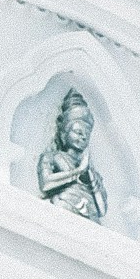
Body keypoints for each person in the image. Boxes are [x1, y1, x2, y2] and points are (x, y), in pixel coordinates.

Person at [37, 85, 107, 222]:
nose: (83, 137)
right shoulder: (52, 157)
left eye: (86, 135)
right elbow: (45, 184)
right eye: (78, 132)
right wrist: (78, 172)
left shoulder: (91, 173)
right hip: (64, 207)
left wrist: (91, 178)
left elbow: (102, 210)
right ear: (65, 133)